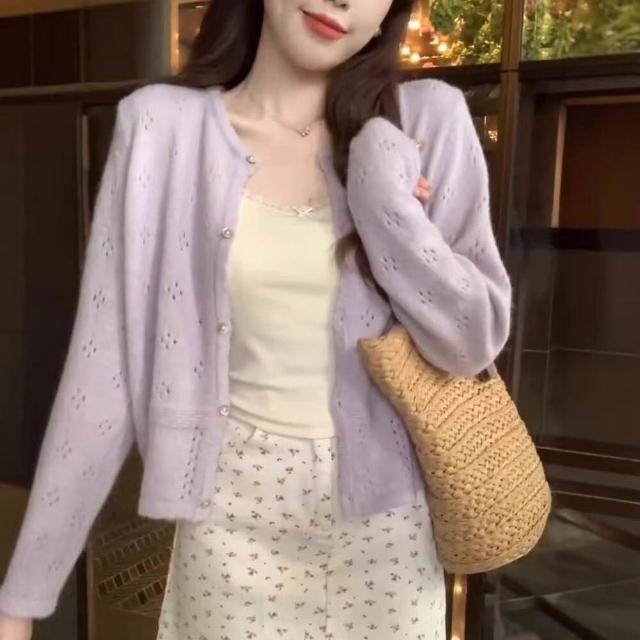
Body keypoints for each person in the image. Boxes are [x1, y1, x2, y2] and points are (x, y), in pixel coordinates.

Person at [0, 0, 513, 638]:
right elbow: (102, 371)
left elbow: (471, 342)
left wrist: (387, 202)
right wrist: (21, 601)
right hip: (231, 524)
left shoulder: (427, 119)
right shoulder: (163, 127)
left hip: (389, 538)